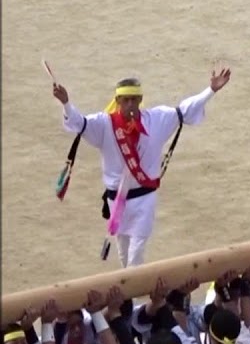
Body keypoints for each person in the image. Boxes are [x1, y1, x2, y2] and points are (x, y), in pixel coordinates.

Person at [52, 68, 231, 267]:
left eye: (134, 99)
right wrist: (66, 103)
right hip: (117, 199)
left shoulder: (156, 120)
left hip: (144, 199)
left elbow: (184, 110)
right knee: (123, 253)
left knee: (136, 254)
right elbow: (79, 123)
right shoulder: (104, 124)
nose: (130, 104)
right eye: (125, 100)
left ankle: (132, 294)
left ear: (140, 100)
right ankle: (129, 296)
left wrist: (211, 90)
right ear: (117, 101)